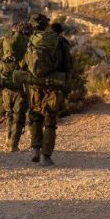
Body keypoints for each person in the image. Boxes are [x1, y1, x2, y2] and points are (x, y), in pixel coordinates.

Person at [24, 13, 74, 166]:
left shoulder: (35, 40)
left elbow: (25, 63)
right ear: (59, 32)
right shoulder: (61, 43)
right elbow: (67, 67)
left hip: (36, 85)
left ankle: (35, 149)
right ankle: (46, 156)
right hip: (53, 85)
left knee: (36, 116)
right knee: (50, 121)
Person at [0, 21, 32, 152]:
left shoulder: (6, 42)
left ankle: (8, 139)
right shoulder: (28, 43)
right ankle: (13, 145)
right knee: (19, 115)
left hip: (6, 83)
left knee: (9, 113)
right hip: (21, 85)